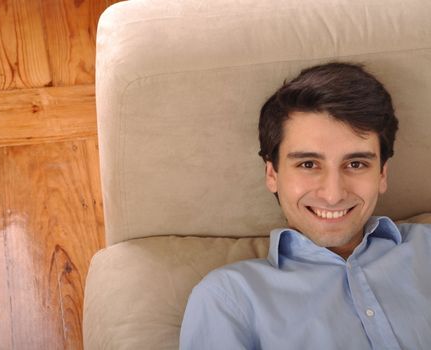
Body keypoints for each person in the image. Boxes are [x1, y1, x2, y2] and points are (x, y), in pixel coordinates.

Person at [179, 62, 431, 350]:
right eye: (308, 164)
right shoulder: (229, 298)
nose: (333, 194)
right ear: (272, 174)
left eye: (356, 164)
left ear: (382, 174)